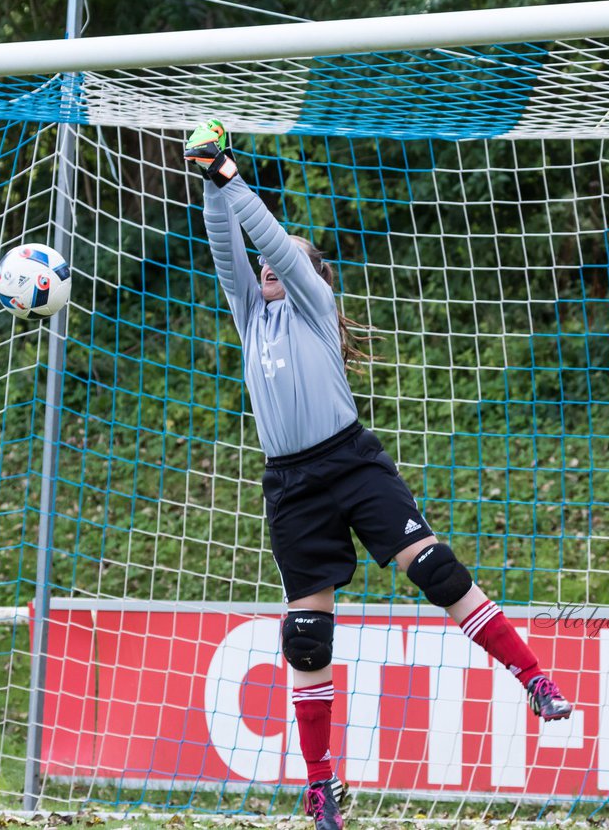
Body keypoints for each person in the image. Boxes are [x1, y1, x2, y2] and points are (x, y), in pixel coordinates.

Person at [184, 120, 572, 830]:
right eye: (265, 262)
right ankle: (322, 786)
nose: (268, 263)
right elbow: (225, 245)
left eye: (284, 258)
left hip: (351, 461)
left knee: (435, 570)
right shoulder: (250, 314)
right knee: (305, 635)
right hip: (291, 485)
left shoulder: (312, 305)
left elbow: (268, 240)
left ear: (309, 274)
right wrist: (211, 177)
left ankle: (534, 679)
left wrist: (235, 178)